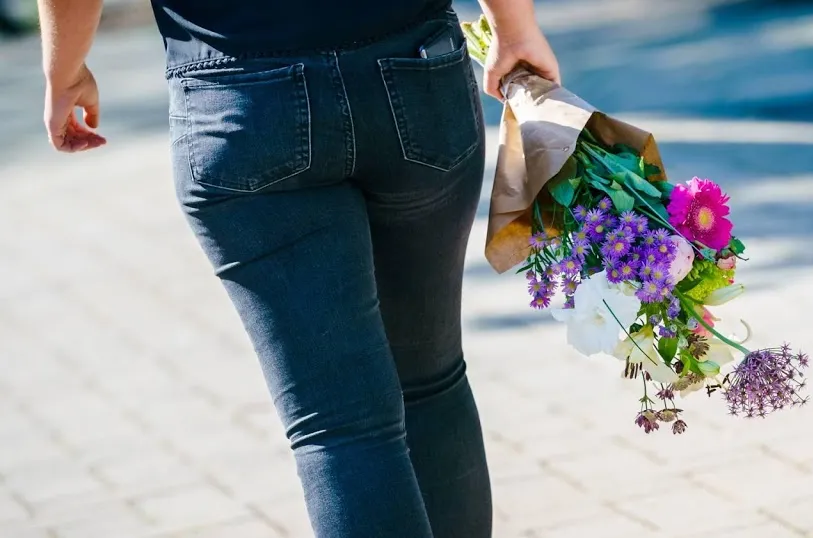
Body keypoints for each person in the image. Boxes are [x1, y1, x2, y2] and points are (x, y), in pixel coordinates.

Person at [36, 0, 560, 536]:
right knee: (430, 381)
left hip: (244, 98)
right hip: (413, 70)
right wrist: (513, 24)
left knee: (342, 426)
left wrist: (65, 71)